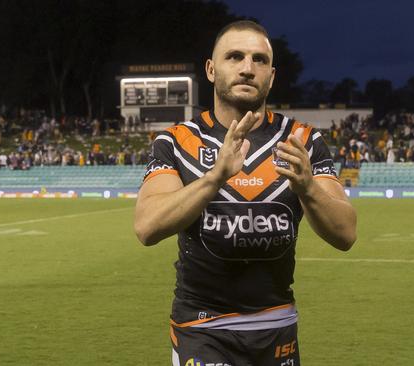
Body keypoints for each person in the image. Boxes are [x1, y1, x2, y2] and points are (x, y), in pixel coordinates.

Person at [134, 20, 357, 366]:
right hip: (202, 327)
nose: (247, 68)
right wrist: (214, 178)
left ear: (272, 75)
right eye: (234, 57)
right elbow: (147, 227)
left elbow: (346, 234)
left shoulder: (302, 140)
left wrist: (308, 187)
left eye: (259, 60)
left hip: (278, 325)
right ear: (211, 69)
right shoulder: (176, 140)